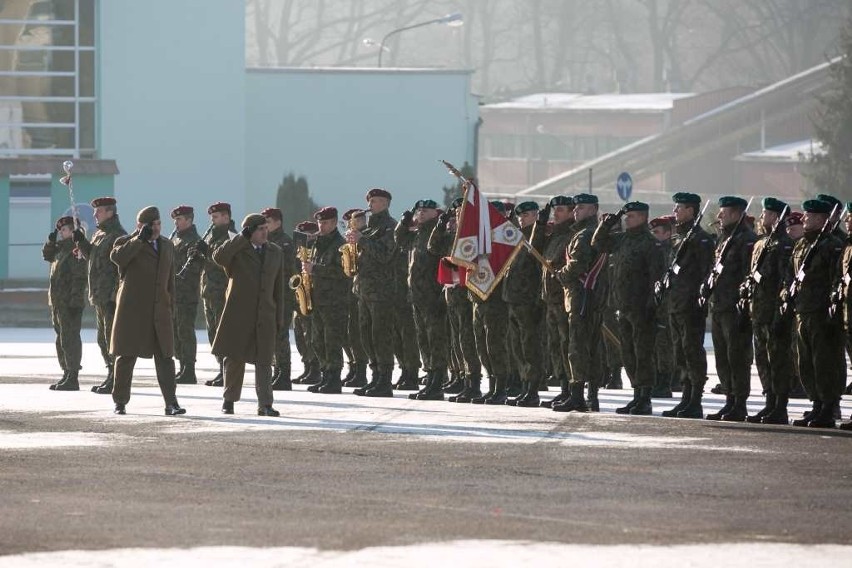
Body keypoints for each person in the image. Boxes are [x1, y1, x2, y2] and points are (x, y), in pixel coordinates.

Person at [109, 207, 186, 416]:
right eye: (151, 225)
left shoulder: (167, 246)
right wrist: (138, 240)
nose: (156, 228)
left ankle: (171, 403)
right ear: (140, 226)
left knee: (166, 358)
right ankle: (120, 402)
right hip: (132, 312)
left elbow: (170, 281)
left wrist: (171, 306)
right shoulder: (125, 242)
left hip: (159, 311)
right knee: (126, 357)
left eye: (158, 224)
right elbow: (118, 258)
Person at [592, 201, 666, 415]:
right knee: (628, 353)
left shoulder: (650, 244)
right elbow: (598, 243)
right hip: (623, 307)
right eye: (626, 216)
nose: (627, 219)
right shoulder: (623, 239)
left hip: (642, 309)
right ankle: (636, 395)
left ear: (643, 217)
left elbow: (656, 279)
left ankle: (645, 398)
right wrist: (608, 223)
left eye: (631, 216)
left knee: (642, 354)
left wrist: (653, 308)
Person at [211, 214, 285, 416]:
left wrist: (279, 317)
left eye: (265, 228)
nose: (264, 232)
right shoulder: (238, 251)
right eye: (260, 229)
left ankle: (265, 404)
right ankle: (229, 400)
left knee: (264, 360)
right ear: (249, 231)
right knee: (235, 358)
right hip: (239, 313)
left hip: (265, 314)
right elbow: (219, 257)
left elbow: (278, 288)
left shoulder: (275, 252)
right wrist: (240, 239)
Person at [788, 199, 845, 428]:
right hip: (803, 310)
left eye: (809, 216)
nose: (804, 219)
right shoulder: (802, 245)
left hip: (821, 313)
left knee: (825, 363)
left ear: (821, 219)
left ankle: (829, 407)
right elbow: (791, 275)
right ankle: (817, 404)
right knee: (806, 362)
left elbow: (836, 279)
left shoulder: (831, 245)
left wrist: (833, 308)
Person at [659, 192, 715, 419]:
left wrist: (700, 297)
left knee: (692, 352)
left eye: (679, 208)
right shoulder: (678, 238)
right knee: (680, 353)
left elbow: (706, 272)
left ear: (691, 211)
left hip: (691, 305)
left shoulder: (700, 239)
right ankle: (685, 398)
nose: (675, 212)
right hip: (675, 304)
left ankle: (695, 400)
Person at [703, 196, 757, 422]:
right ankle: (729, 400)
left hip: (735, 309)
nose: (719, 216)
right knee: (723, 358)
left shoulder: (747, 240)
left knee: (737, 358)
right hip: (719, 305)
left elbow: (749, 275)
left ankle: (739, 403)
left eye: (723, 213)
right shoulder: (724, 239)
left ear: (736, 214)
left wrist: (743, 305)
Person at [742, 197, 794, 424]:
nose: (762, 217)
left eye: (766, 213)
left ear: (776, 217)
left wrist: (780, 314)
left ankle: (780, 406)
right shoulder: (761, 243)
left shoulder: (784, 245)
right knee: (762, 360)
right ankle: (769, 401)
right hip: (759, 312)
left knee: (778, 360)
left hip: (773, 312)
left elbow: (785, 281)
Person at [553, 194, 605, 412]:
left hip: (581, 298)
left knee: (577, 347)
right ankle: (591, 396)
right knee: (591, 346)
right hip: (591, 298)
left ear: (593, 209)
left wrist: (560, 274)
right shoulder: (592, 232)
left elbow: (577, 265)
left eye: (581, 207)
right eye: (575, 207)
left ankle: (578, 396)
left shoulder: (584, 235)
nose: (576, 211)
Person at [429, 198, 482, 402]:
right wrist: (441, 224)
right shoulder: (453, 235)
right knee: (458, 339)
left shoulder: (474, 237)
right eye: (457, 213)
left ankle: (473, 383)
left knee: (468, 340)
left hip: (467, 294)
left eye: (462, 213)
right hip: (452, 293)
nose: (458, 216)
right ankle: (462, 377)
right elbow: (433, 247)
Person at [396, 199, 449, 401]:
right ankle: (430, 376)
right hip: (417, 295)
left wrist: (441, 226)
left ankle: (437, 380)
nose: (421, 214)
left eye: (426, 211)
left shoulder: (439, 233)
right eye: (419, 211)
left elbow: (437, 251)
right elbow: (400, 240)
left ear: (435, 213)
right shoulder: (417, 234)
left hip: (433, 295)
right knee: (423, 340)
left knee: (435, 340)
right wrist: (405, 220)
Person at [348, 188, 398, 397]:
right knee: (367, 335)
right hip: (364, 291)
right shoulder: (368, 229)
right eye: (370, 201)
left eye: (375, 201)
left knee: (381, 336)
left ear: (386, 203)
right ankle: (375, 377)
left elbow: (385, 255)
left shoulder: (391, 227)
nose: (370, 205)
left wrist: (362, 240)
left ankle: (384, 381)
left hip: (382, 291)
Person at [74, 196, 127, 394]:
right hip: (99, 294)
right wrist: (82, 242)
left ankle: (117, 378)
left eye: (99, 211)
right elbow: (93, 258)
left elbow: (122, 267)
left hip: (110, 297)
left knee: (112, 338)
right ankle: (110, 374)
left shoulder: (118, 236)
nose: (95, 214)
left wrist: (115, 293)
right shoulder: (100, 234)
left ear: (110, 212)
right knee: (102, 338)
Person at [502, 201, 546, 407]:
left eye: (526, 215)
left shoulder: (539, 235)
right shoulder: (517, 237)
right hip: (513, 299)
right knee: (517, 347)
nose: (522, 218)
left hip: (529, 301)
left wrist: (540, 225)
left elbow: (536, 254)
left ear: (536, 215)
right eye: (519, 216)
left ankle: (533, 389)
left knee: (530, 347)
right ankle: (524, 385)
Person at [303, 207, 349, 394]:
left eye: (325, 222)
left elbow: (343, 273)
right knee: (317, 340)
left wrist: (316, 269)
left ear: (333, 222)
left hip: (334, 300)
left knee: (332, 341)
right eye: (320, 223)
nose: (321, 226)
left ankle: (334, 378)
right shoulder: (317, 244)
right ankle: (325, 374)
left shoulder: (341, 244)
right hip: (317, 298)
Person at [538, 196, 575, 408]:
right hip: (550, 299)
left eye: (560, 210)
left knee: (566, 345)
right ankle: (563, 388)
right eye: (555, 210)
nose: (556, 214)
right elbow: (534, 247)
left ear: (571, 212)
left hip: (563, 300)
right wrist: (541, 224)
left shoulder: (571, 236)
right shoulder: (554, 236)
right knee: (556, 346)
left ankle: (571, 389)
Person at [44, 215, 87, 391]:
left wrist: (75, 301)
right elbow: (47, 256)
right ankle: (66, 372)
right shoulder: (60, 249)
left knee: (70, 339)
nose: (61, 233)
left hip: (70, 302)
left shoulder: (76, 250)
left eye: (64, 230)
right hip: (58, 302)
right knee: (61, 338)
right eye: (60, 230)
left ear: (73, 231)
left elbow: (80, 277)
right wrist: (50, 242)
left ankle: (73, 375)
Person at [197, 202, 236, 387]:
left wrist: (208, 252)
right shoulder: (212, 236)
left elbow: (225, 260)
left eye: (216, 217)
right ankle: (221, 368)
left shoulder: (231, 236)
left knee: (224, 335)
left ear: (226, 218)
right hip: (210, 292)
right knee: (213, 334)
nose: (212, 221)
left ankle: (227, 371)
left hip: (222, 293)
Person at [261, 207, 297, 391]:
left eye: (267, 222)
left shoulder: (285, 243)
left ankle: (284, 375)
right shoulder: (266, 242)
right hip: (269, 296)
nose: (264, 226)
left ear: (278, 223)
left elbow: (287, 272)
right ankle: (277, 371)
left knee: (281, 337)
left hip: (282, 296)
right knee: (272, 337)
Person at [170, 205, 202, 385]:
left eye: (179, 219)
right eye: (175, 220)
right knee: (176, 331)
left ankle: (189, 369)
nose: (176, 223)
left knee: (185, 331)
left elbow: (196, 269)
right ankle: (182, 365)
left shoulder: (194, 241)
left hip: (186, 294)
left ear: (189, 220)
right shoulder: (176, 239)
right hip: (174, 294)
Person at [340, 209, 370, 388]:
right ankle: (354, 367)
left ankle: (361, 371)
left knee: (359, 335)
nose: (349, 227)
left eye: (352, 222)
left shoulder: (366, 236)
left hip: (363, 290)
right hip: (350, 290)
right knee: (351, 334)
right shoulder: (351, 239)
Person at [649, 215, 677, 398]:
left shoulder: (672, 251)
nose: (654, 236)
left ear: (668, 234)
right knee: (656, 345)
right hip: (654, 303)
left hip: (667, 305)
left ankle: (666, 382)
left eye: (658, 232)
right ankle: (658, 379)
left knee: (665, 345)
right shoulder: (655, 250)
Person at [292, 220, 321, 385]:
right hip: (300, 297)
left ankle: (315, 369)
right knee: (300, 336)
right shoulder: (299, 251)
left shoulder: (317, 250)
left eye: (310, 235)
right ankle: (307, 366)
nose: (307, 239)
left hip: (313, 297)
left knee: (311, 336)